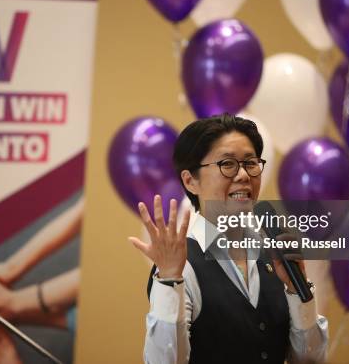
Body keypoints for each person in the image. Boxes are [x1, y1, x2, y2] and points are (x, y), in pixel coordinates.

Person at [128, 114, 329, 364]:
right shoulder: (183, 265)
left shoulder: (275, 257)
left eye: (250, 163)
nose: (243, 175)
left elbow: (310, 361)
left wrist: (297, 290)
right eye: (227, 164)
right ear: (191, 181)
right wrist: (169, 279)